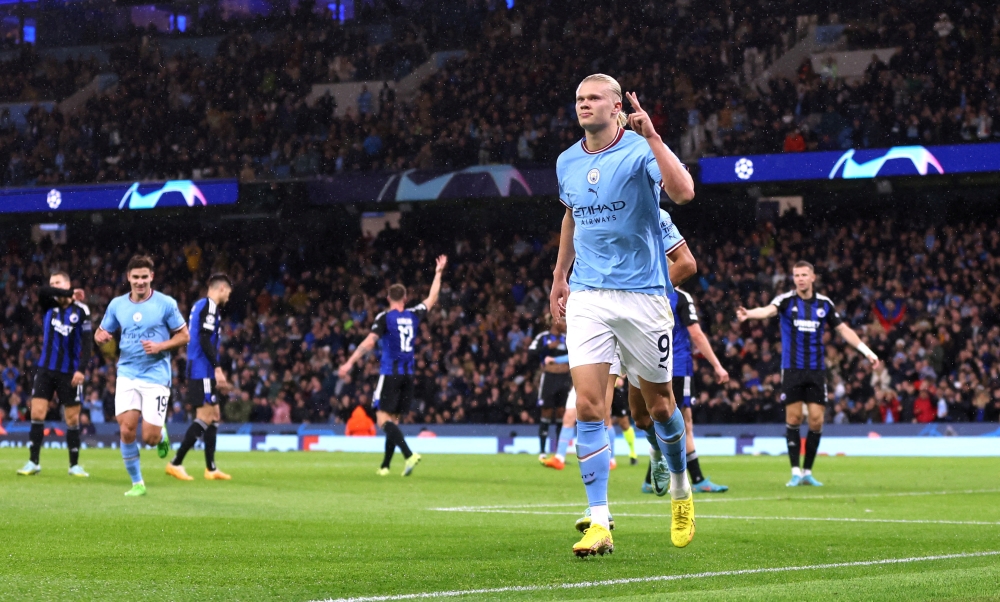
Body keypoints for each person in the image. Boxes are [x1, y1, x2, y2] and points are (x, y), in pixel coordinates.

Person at [550, 73, 694, 558]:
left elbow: (684, 193)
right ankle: (597, 520)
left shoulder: (638, 149)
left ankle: (678, 485)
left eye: (593, 99)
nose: (583, 105)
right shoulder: (567, 160)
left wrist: (653, 136)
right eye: (578, 99)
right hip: (589, 295)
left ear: (616, 108)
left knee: (658, 407)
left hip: (643, 296)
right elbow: (571, 214)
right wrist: (559, 275)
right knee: (591, 407)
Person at [737, 261, 880, 487]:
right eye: (796, 275)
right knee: (794, 418)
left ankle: (808, 471)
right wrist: (750, 314)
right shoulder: (786, 300)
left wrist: (866, 351)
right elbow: (768, 310)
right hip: (792, 369)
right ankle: (795, 471)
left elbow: (843, 330)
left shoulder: (824, 304)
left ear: (813, 277)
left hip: (816, 371)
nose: (800, 278)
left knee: (816, 420)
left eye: (804, 275)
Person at [338, 255, 447, 476]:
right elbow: (433, 297)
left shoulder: (384, 317)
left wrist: (349, 362)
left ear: (389, 298)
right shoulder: (414, 314)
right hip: (408, 375)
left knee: (381, 420)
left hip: (390, 373)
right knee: (394, 421)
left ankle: (408, 454)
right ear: (405, 298)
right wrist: (438, 272)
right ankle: (385, 466)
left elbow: (370, 342)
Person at [94, 255, 189, 497]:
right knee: (126, 429)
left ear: (151, 277)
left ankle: (161, 433)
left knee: (149, 438)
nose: (139, 282)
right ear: (128, 278)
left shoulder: (166, 304)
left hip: (156, 375)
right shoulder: (117, 305)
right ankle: (138, 483)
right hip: (126, 372)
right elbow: (102, 331)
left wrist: (161, 346)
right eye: (135, 277)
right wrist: (100, 336)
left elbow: (184, 336)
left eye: (144, 277)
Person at [643, 287, 731, 494]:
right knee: (683, 424)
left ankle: (650, 479)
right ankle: (698, 479)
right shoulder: (680, 296)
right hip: (677, 366)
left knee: (658, 419)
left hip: (651, 365)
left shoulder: (645, 291)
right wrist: (717, 365)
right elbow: (696, 334)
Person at [16, 272, 92, 477]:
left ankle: (74, 465)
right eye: (52, 283)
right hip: (46, 369)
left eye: (57, 283)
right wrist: (69, 292)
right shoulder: (49, 304)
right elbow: (42, 290)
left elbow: (87, 343)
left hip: (70, 372)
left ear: (67, 283)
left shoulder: (81, 310)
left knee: (72, 419)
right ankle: (33, 462)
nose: (53, 286)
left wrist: (81, 370)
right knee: (37, 413)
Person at [166, 274, 233, 481]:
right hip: (202, 370)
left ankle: (210, 469)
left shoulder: (200, 306)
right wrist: (217, 368)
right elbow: (204, 339)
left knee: (214, 416)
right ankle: (175, 463)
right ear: (222, 288)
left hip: (200, 369)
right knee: (205, 417)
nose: (229, 297)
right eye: (229, 292)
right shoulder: (210, 306)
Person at [529, 319, 570, 459]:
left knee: (561, 413)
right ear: (554, 322)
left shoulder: (568, 337)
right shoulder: (543, 337)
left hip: (564, 378)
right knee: (546, 412)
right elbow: (531, 353)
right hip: (549, 378)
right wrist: (548, 348)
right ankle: (542, 451)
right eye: (563, 321)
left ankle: (559, 454)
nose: (565, 323)